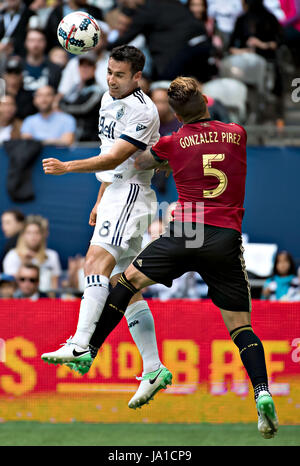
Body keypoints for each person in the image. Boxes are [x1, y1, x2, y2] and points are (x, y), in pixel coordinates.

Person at [76, 77, 278, 438]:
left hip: (188, 230)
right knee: (241, 327)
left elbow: (138, 162)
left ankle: (89, 349)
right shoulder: (237, 132)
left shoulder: (172, 142)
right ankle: (262, 391)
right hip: (225, 237)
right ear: (204, 101)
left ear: (174, 113)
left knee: (126, 282)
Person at [41, 45, 172, 408]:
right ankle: (154, 369)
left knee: (93, 263)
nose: (111, 79)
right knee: (122, 285)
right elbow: (107, 156)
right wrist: (100, 198)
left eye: (119, 74)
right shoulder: (106, 97)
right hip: (114, 191)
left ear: (137, 77)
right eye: (109, 72)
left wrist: (67, 167)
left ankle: (81, 343)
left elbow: (117, 157)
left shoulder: (143, 111)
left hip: (132, 193)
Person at [2, 215, 62, 293]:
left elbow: (54, 287)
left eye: (37, 233)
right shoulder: (12, 255)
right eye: (29, 233)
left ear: (42, 235)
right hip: (18, 301)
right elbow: (9, 288)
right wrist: (24, 264)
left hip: (45, 301)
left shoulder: (52, 256)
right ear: (23, 235)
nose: (33, 236)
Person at [59, 52, 103, 142]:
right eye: (82, 65)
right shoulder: (75, 87)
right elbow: (63, 100)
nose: (84, 69)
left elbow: (84, 109)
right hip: (73, 135)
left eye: (88, 66)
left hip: (89, 139)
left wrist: (61, 108)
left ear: (95, 68)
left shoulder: (98, 90)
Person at [22, 28, 62, 95]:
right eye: (32, 40)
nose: (36, 45)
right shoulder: (17, 67)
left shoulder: (55, 69)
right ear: (25, 42)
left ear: (45, 43)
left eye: (40, 41)